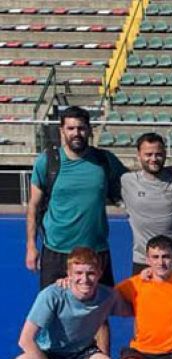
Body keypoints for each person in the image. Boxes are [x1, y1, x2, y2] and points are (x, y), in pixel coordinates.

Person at [7, 247, 128, 359]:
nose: (84, 279)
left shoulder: (108, 295)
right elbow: (25, 340)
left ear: (100, 273)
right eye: (78, 273)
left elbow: (134, 309)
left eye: (90, 273)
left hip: (82, 354)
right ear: (69, 274)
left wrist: (149, 278)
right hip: (48, 352)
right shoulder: (51, 295)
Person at [25, 106, 127, 290]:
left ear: (89, 130)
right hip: (56, 252)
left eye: (81, 128)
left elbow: (138, 181)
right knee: (53, 305)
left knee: (102, 306)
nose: (76, 133)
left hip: (95, 251)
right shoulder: (47, 162)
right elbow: (33, 206)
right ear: (62, 131)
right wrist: (31, 246)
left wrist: (167, 171)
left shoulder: (104, 160)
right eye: (71, 128)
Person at [122, 132, 172, 275]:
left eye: (158, 154)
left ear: (165, 154)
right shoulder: (127, 181)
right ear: (138, 155)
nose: (154, 159)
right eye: (148, 154)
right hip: (143, 260)